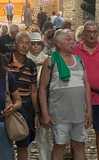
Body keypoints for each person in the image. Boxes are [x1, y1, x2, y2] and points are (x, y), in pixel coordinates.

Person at [39, 29, 92, 160]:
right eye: (68, 40)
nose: (72, 42)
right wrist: (45, 114)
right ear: (59, 43)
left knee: (79, 145)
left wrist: (89, 110)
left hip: (78, 113)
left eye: (72, 39)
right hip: (59, 114)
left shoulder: (79, 60)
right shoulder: (51, 61)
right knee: (59, 146)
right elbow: (42, 88)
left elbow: (86, 86)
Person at [72, 22, 99, 160]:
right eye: (89, 32)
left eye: (94, 32)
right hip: (80, 98)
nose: (91, 35)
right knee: (78, 131)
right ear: (84, 33)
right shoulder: (75, 50)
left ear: (98, 33)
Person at [6, 32, 40, 160]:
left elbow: (33, 90)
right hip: (6, 107)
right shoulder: (5, 62)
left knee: (23, 144)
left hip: (25, 108)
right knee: (4, 142)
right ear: (15, 44)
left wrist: (36, 113)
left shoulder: (31, 65)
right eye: (21, 42)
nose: (25, 46)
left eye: (27, 43)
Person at [27, 32, 51, 160]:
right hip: (27, 101)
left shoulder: (47, 60)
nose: (35, 46)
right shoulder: (24, 60)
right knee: (26, 136)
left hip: (43, 100)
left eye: (38, 44)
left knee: (43, 136)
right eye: (33, 44)